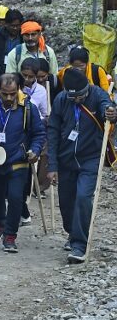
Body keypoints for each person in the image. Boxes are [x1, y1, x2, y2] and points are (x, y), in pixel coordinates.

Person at [46, 69, 117, 263]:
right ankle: (72, 232)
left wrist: (110, 113)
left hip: (91, 158)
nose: (77, 100)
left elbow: (107, 107)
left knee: (83, 198)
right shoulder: (61, 100)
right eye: (73, 97)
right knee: (67, 201)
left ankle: (79, 244)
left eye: (81, 96)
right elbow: (52, 132)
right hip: (66, 159)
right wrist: (52, 165)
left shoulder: (97, 94)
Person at [0, 74, 46, 253]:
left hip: (17, 162)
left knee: (15, 198)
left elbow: (39, 133)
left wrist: (35, 150)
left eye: (12, 94)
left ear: (19, 89)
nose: (8, 98)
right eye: (5, 94)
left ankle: (10, 235)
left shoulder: (28, 107)